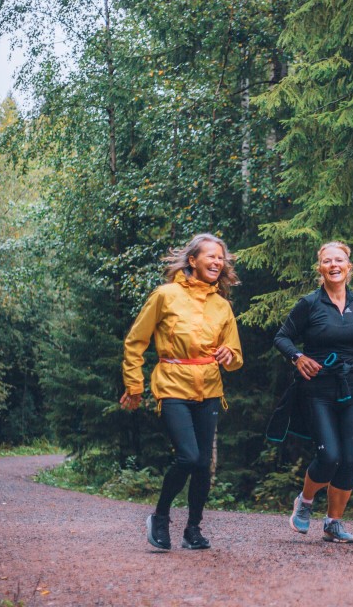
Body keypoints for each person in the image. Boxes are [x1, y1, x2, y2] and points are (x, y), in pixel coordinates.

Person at [270, 241, 353, 544]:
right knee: (329, 456)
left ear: (348, 266)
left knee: (349, 458)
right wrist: (298, 357)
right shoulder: (310, 303)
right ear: (321, 268)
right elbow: (282, 337)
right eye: (327, 261)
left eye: (339, 260)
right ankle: (304, 502)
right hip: (318, 389)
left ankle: (333, 523)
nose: (334, 265)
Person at [120, 233, 243, 551]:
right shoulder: (166, 295)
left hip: (210, 387)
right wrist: (135, 385)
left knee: (203, 463)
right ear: (192, 260)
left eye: (221, 258)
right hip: (172, 382)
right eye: (211, 256)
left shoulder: (222, 306)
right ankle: (160, 517)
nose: (217, 261)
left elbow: (235, 355)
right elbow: (136, 341)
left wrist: (229, 356)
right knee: (188, 456)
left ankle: (193, 529)